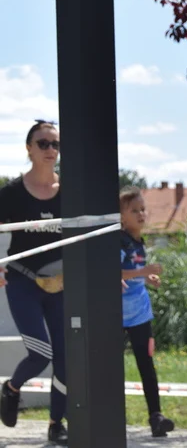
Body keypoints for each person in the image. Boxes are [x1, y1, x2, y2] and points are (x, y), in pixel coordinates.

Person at [0, 120, 69, 444]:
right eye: (43, 143)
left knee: (66, 357)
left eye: (55, 144)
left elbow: (85, 238)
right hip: (23, 282)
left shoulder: (71, 193)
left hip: (61, 285)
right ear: (29, 148)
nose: (51, 150)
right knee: (41, 353)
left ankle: (57, 423)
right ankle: (11, 388)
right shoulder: (11, 193)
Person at [119, 187, 175, 438]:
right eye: (134, 210)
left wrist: (146, 277)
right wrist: (142, 272)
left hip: (140, 313)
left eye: (143, 209)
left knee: (147, 366)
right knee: (109, 367)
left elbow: (134, 272)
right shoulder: (119, 241)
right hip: (117, 315)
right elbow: (114, 272)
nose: (141, 214)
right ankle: (109, 417)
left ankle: (156, 417)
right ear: (121, 217)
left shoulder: (139, 242)